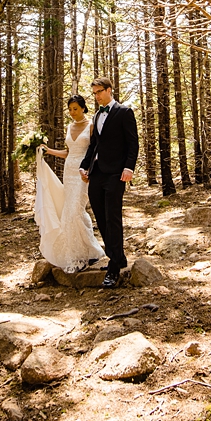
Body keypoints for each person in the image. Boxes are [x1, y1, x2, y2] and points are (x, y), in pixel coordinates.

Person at [34, 94, 105, 274]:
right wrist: (48, 151)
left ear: (83, 108)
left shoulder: (91, 126)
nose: (72, 112)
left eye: (75, 109)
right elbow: (68, 152)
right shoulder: (69, 126)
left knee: (75, 210)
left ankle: (89, 250)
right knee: (71, 211)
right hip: (69, 171)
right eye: (70, 109)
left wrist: (91, 170)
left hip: (84, 172)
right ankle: (86, 251)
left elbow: (96, 151)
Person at [79, 77, 138, 287]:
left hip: (116, 173)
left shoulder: (124, 112)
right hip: (97, 173)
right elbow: (94, 145)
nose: (96, 96)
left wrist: (129, 168)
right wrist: (84, 166)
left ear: (109, 90)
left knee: (112, 217)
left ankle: (114, 267)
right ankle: (118, 256)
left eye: (99, 92)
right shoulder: (96, 116)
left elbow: (133, 143)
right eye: (94, 93)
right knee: (101, 217)